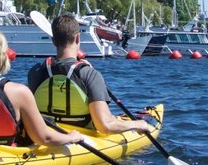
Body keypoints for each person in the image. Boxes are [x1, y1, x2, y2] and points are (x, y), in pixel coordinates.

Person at [27, 13, 156, 135]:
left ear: (53, 40)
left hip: (46, 134)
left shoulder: (36, 71)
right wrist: (138, 124)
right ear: (77, 38)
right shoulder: (89, 74)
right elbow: (105, 126)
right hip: (82, 138)